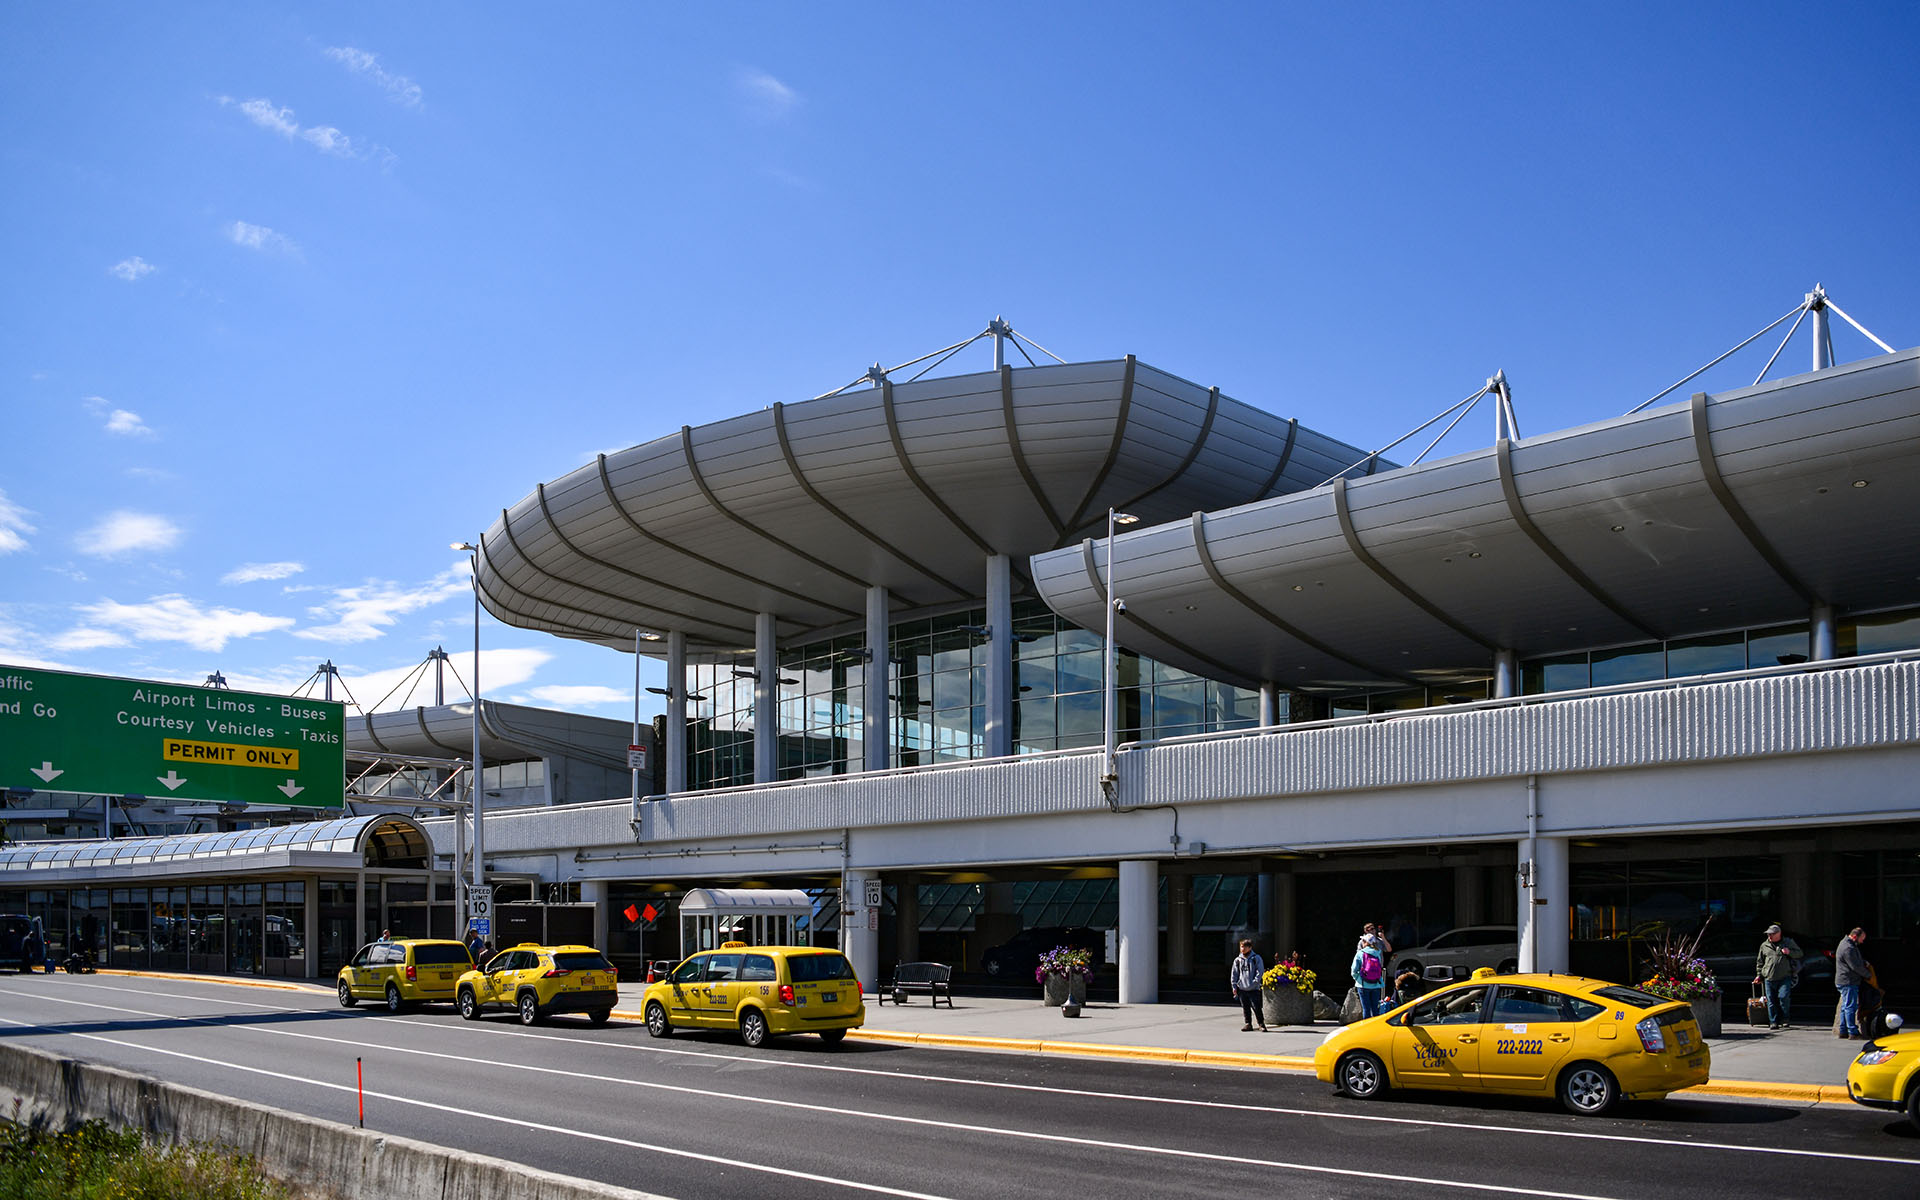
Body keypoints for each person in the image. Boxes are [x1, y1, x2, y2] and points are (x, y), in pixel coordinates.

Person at [1753, 923, 1802, 1030]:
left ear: (1778, 934)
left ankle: (1785, 1019)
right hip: (1769, 978)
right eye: (1768, 934)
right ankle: (1773, 1021)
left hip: (1785, 976)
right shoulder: (1764, 945)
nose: (1769, 936)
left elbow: (1799, 953)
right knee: (1771, 1001)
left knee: (1783, 998)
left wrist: (1789, 952)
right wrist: (1759, 975)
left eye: (1771, 934)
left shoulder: (1788, 942)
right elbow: (1760, 962)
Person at [1835, 927, 1869, 1038]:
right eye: (1861, 939)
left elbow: (1854, 961)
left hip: (1844, 980)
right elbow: (1855, 966)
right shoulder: (1848, 948)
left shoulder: (1846, 944)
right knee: (1850, 1006)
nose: (1862, 941)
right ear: (1855, 936)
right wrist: (1867, 975)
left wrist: (1863, 962)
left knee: (1845, 1006)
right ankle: (1852, 1031)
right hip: (1848, 981)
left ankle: (1843, 1030)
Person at [1229, 938, 1267, 1032]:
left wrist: (1255, 982)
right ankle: (1248, 1023)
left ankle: (1261, 1024)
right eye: (1241, 947)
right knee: (1245, 1007)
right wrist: (1234, 986)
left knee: (1256, 1007)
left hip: (1253, 988)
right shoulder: (1238, 960)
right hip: (1242, 988)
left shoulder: (1256, 958)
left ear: (1250, 947)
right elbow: (1234, 974)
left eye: (1244, 947)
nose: (1242, 949)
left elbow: (1260, 971)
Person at [1352, 927, 1386, 1018]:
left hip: (1363, 984)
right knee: (1375, 1009)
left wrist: (1358, 979)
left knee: (1366, 1009)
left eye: (1363, 941)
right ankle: (1376, 1029)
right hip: (1376, 984)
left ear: (1365, 942)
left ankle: (1367, 1030)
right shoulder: (1377, 953)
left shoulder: (1360, 953)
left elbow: (1354, 970)